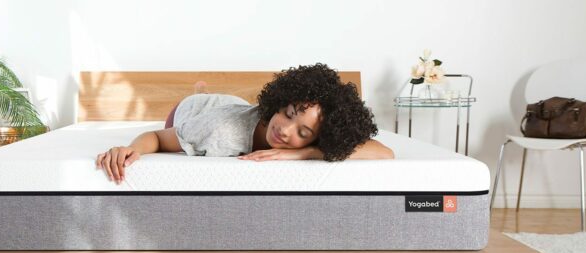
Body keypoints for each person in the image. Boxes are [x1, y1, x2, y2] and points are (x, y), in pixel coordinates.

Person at [96, 63, 394, 184]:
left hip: (236, 107)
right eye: (288, 114)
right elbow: (158, 138)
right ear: (279, 103)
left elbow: (384, 153)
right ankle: (200, 91)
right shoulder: (218, 130)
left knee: (234, 104)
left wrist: (304, 152)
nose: (286, 130)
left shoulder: (308, 139)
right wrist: (129, 148)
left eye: (304, 132)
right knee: (206, 101)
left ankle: (208, 91)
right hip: (194, 111)